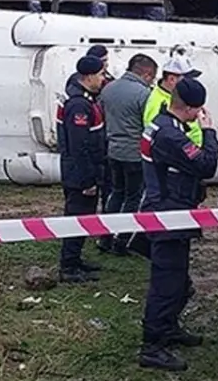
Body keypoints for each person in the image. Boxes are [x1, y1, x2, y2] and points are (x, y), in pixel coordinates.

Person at [138, 78, 218, 372]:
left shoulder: (164, 125)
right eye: (198, 110)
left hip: (172, 210)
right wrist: (209, 132)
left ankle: (168, 327)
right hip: (168, 215)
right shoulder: (170, 136)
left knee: (178, 279)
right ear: (188, 108)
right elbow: (206, 165)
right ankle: (152, 345)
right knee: (167, 283)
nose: (199, 115)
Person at [98, 53, 157, 255]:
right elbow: (148, 124)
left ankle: (104, 237)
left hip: (113, 150)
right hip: (134, 153)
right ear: (147, 74)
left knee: (116, 192)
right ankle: (122, 240)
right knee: (133, 197)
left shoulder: (108, 88)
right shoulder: (144, 94)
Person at [57, 55, 108, 284]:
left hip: (83, 171)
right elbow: (80, 146)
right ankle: (68, 266)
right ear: (88, 77)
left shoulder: (84, 99)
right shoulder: (79, 105)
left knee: (83, 218)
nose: (103, 79)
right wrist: (88, 180)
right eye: (100, 74)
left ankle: (75, 259)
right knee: (76, 218)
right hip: (80, 175)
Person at [143, 53, 203, 146]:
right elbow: (161, 140)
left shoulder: (178, 95)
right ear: (171, 79)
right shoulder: (157, 103)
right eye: (187, 79)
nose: (191, 82)